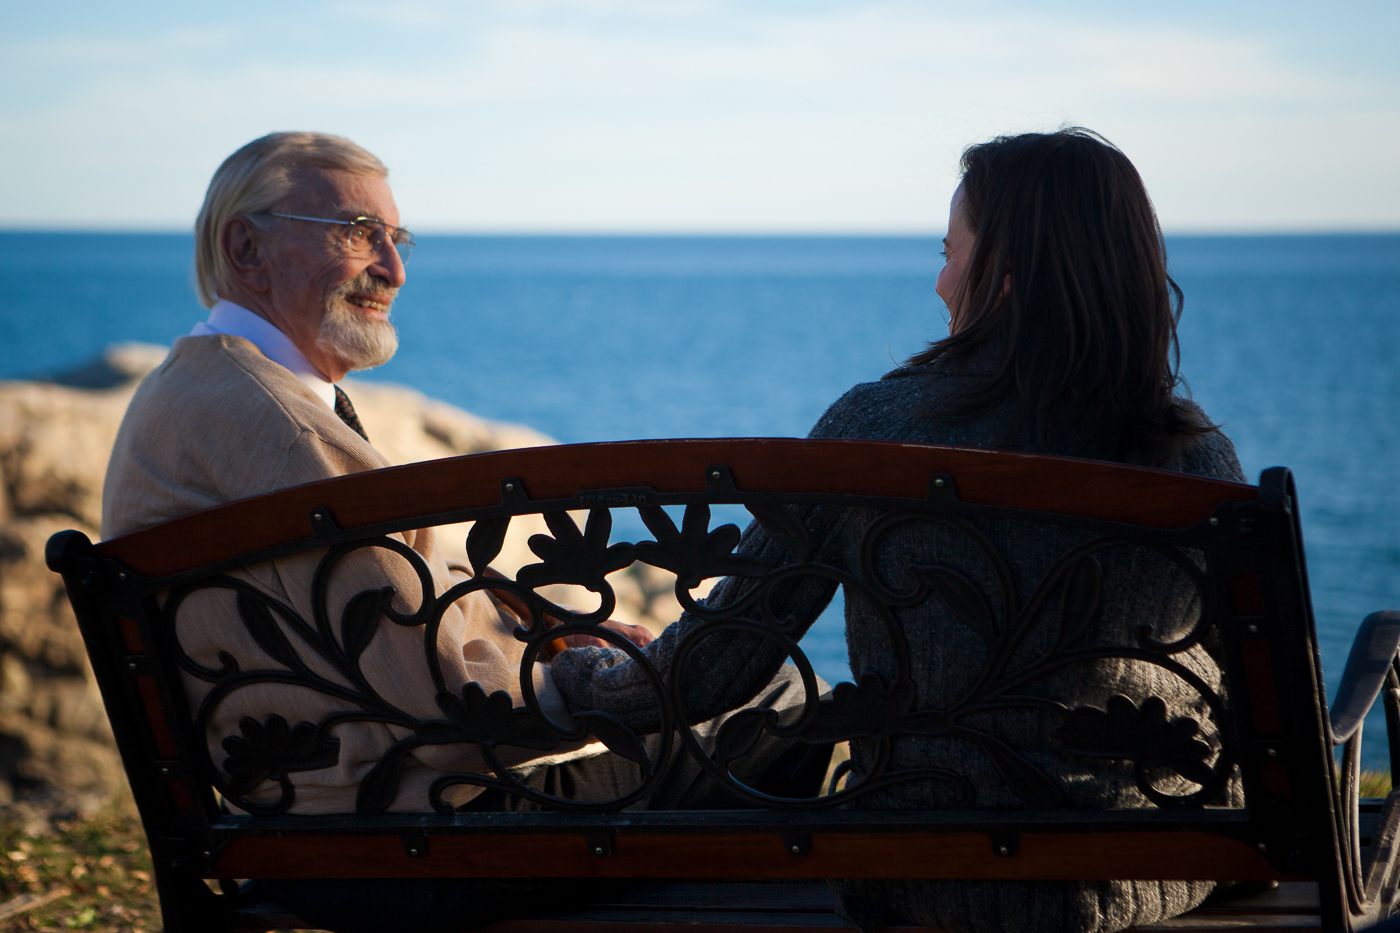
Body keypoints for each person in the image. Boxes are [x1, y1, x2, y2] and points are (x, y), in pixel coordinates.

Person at [101, 132, 829, 933]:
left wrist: (557, 634)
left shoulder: (207, 387)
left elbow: (388, 616)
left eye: (396, 238)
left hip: (320, 815)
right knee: (782, 698)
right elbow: (439, 690)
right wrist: (602, 681)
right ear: (248, 245)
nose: (394, 268)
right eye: (356, 231)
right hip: (407, 840)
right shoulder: (278, 423)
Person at [549, 127, 1246, 933]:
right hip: (1145, 876)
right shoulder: (1196, 456)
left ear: (1006, 273)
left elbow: (713, 670)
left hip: (920, 878)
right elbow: (1248, 698)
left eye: (951, 252)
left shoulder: (871, 430)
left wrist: (579, 671)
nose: (941, 282)